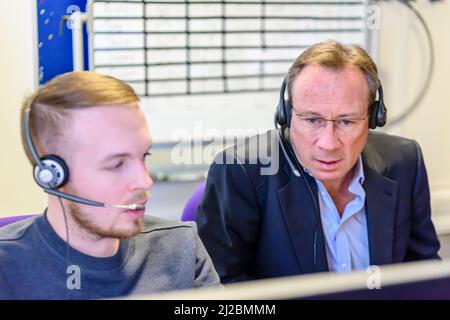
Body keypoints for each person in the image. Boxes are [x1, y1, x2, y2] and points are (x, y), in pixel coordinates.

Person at [196, 40, 440, 283]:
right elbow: (221, 288)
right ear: (286, 115)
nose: (328, 143)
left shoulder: (405, 162)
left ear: (374, 117)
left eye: (347, 121)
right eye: (312, 120)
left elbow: (424, 272)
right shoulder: (240, 172)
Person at [0, 71, 220, 299]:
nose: (145, 181)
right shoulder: (7, 269)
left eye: (143, 155)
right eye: (117, 164)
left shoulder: (181, 248)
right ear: (53, 175)